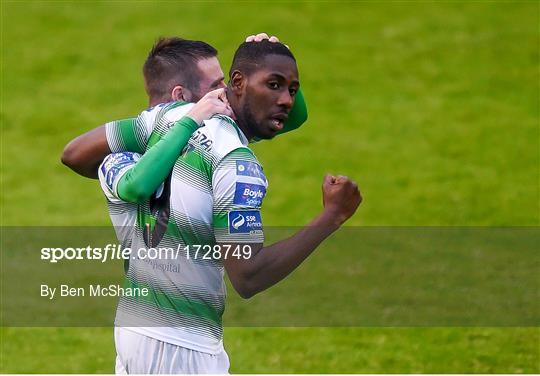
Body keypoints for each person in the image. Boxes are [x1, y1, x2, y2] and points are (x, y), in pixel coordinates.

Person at [105, 40, 361, 374]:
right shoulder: (236, 162)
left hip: (134, 328)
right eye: (274, 85)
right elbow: (248, 275)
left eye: (292, 89)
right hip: (183, 347)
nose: (286, 100)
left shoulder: (167, 120)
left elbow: (74, 153)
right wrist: (332, 216)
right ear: (235, 84)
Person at [61, 35, 308, 179]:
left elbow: (294, 118)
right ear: (180, 97)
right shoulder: (152, 129)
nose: (228, 90)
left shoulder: (215, 127)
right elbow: (73, 154)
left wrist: (278, 63)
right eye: (216, 84)